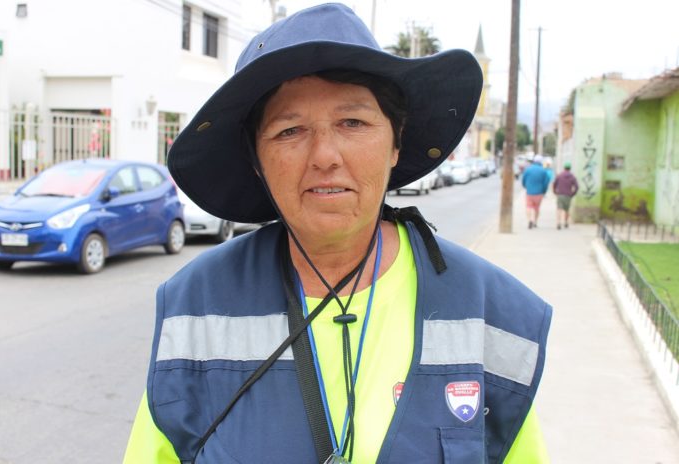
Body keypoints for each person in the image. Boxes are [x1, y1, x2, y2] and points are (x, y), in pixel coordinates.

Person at [123, 4, 552, 463]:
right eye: (290, 130)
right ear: (256, 161)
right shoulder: (195, 304)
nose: (325, 155)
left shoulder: (493, 311)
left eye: (353, 122)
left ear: (396, 141)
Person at [522, 154, 551, 229]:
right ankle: (535, 222)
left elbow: (523, 180)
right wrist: (544, 191)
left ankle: (529, 220)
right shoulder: (544, 171)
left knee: (528, 207)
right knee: (537, 208)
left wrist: (526, 186)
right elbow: (546, 182)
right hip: (539, 192)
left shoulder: (528, 169)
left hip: (529, 192)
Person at [553, 161, 579, 229]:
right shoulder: (572, 177)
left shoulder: (559, 175)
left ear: (564, 168)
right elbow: (577, 187)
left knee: (559, 209)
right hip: (568, 195)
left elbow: (554, 184)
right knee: (567, 210)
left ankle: (558, 222)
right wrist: (573, 194)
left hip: (560, 194)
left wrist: (555, 192)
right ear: (570, 168)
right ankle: (566, 222)